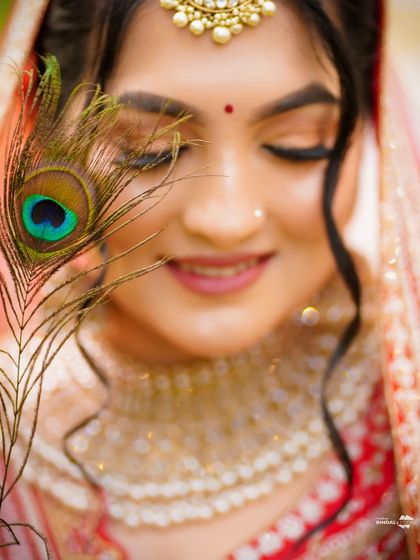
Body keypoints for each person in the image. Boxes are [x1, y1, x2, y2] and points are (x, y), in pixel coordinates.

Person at [0, 0, 417, 558]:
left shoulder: (402, 420)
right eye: (149, 152)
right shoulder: (12, 437)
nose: (225, 221)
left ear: (374, 131)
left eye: (296, 144)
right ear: (41, 134)